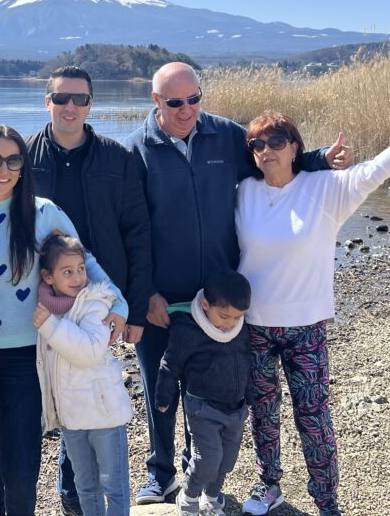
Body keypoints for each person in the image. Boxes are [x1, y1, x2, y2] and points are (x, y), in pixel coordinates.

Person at [124, 62, 351, 504]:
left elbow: (271, 159)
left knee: (206, 382)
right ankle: (159, 472)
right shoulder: (137, 150)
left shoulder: (225, 135)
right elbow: (130, 226)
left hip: (217, 294)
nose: (187, 109)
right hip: (162, 295)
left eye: (194, 98)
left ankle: (197, 468)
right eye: (175, 102)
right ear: (156, 102)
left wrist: (318, 158)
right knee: (158, 382)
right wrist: (142, 293)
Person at [236, 102, 390, 516]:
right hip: (254, 326)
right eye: (257, 143)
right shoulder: (243, 192)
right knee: (263, 415)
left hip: (306, 327)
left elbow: (373, 171)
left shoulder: (324, 189)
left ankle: (327, 503)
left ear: (295, 148)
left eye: (277, 141)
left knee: (313, 418)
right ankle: (269, 484)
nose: (266, 150)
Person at [0, 125, 128, 516]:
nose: (3, 169)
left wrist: (118, 301)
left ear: (24, 166)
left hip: (25, 356)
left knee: (21, 460)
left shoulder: (43, 211)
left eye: (13, 160)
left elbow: (81, 259)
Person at [25, 65, 154, 515]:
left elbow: (138, 233)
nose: (71, 108)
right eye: (61, 99)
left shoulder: (117, 158)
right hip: (44, 302)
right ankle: (72, 496)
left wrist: (133, 307)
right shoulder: (23, 159)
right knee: (58, 388)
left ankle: (84, 497)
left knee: (90, 387)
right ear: (48, 102)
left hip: (102, 301)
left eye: (80, 99)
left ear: (91, 104)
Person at [34, 232, 133, 516]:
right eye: (67, 272)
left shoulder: (95, 301)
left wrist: (51, 327)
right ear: (48, 277)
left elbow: (89, 352)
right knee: (85, 486)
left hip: (105, 414)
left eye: (80, 269)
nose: (78, 277)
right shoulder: (46, 309)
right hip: (72, 416)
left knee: (114, 486)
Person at [154, 270, 253, 516]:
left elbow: (247, 361)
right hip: (202, 407)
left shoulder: (240, 328)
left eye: (237, 317)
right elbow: (170, 363)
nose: (230, 323)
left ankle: (211, 498)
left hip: (236, 408)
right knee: (207, 460)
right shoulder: (188, 327)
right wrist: (163, 396)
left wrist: (251, 395)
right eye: (224, 316)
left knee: (226, 461)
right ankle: (188, 498)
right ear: (205, 305)